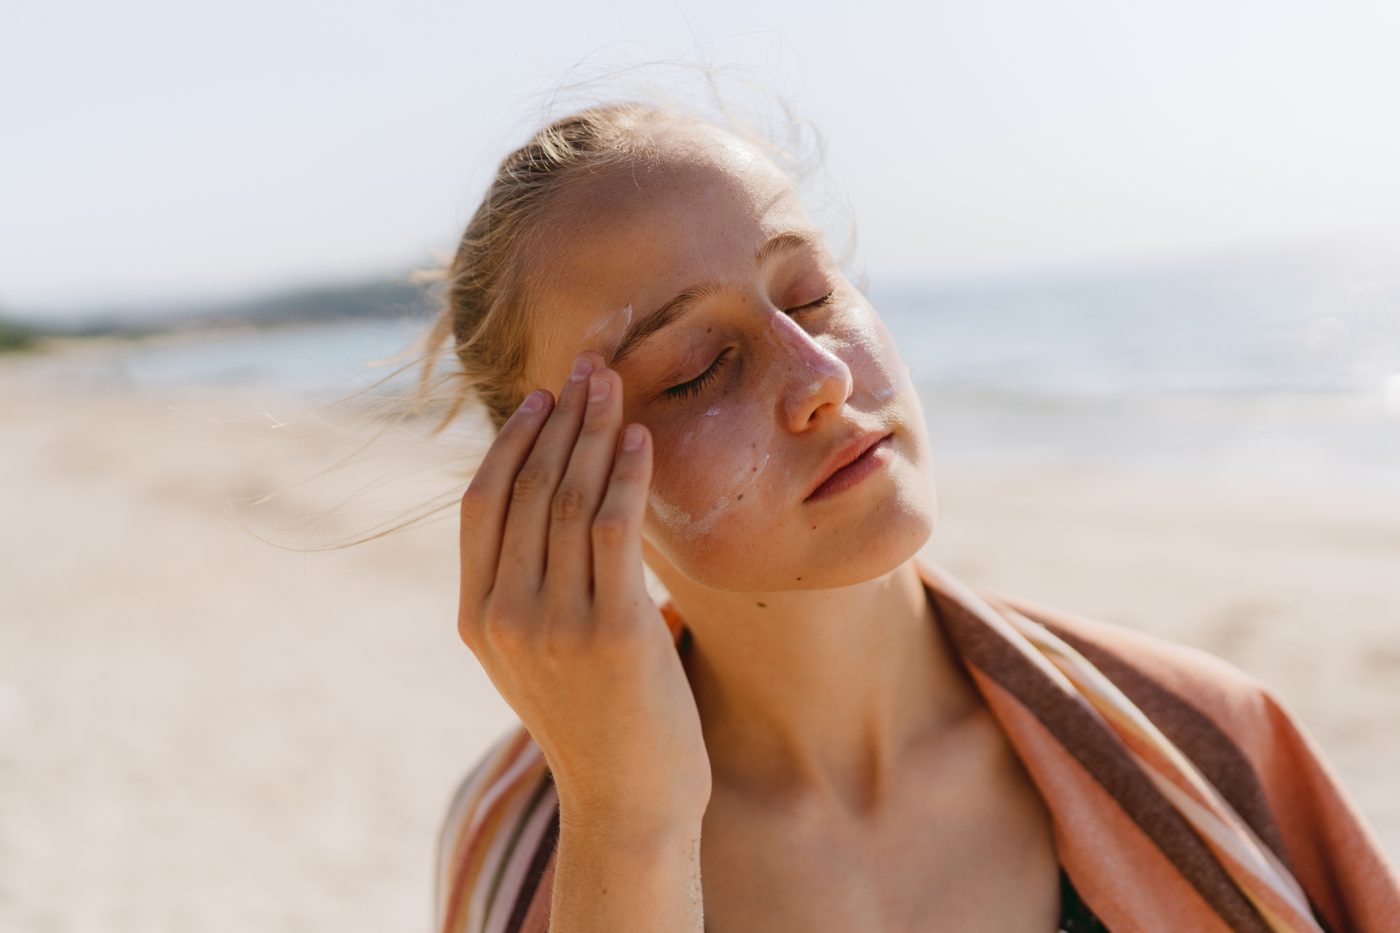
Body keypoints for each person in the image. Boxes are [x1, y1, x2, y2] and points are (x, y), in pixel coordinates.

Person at [422, 98, 1399, 932]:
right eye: (697, 369)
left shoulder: (1202, 738)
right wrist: (630, 826)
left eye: (807, 296)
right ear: (545, 480)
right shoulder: (526, 845)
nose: (822, 374)